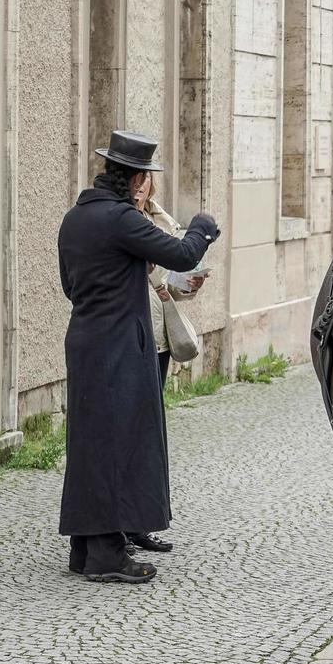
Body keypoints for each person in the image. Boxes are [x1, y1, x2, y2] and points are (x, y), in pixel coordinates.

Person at [59, 131, 220, 583]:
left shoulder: (75, 218)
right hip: (121, 346)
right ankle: (108, 557)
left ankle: (84, 549)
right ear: (133, 179)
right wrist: (203, 226)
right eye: (144, 175)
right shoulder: (122, 220)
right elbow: (183, 252)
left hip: (85, 340)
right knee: (120, 442)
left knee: (90, 443)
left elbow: (69, 285)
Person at [123, 183, 211, 555]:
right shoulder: (121, 222)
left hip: (158, 340)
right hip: (129, 338)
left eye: (146, 181)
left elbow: (174, 279)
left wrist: (188, 282)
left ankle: (138, 523)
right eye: (135, 180)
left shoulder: (158, 218)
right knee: (127, 434)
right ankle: (119, 526)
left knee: (148, 436)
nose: (141, 188)